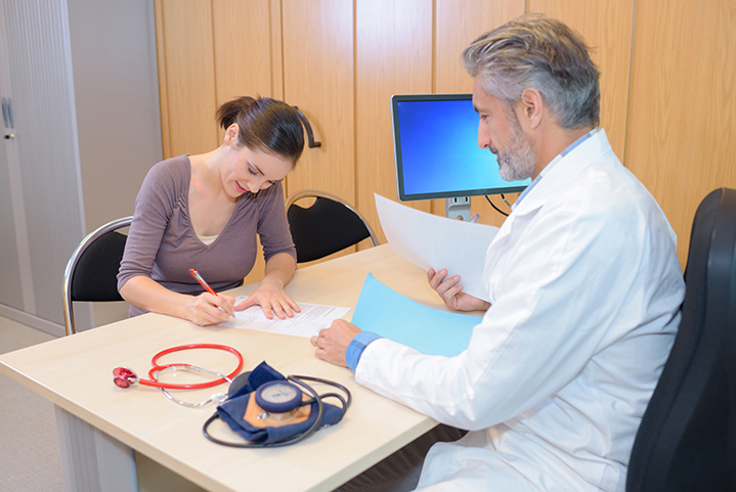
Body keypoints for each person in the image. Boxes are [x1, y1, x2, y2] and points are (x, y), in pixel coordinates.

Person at [313, 15, 686, 492]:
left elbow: (472, 394)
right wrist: (495, 300)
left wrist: (360, 350)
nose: (481, 139)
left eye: (485, 115)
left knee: (335, 469)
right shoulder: (595, 193)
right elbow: (564, 309)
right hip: (530, 436)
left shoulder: (586, 220)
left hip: (556, 468)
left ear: (531, 107)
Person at [118, 96, 304, 326]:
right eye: (252, 170)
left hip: (224, 321)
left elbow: (282, 251)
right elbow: (130, 280)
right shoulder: (167, 179)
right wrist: (187, 307)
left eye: (270, 180)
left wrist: (272, 283)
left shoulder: (266, 189)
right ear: (232, 135)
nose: (255, 187)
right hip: (159, 321)